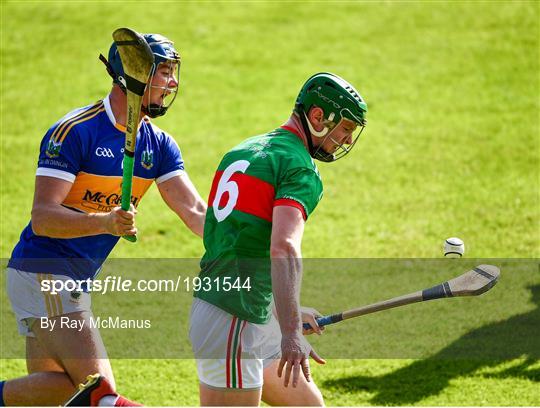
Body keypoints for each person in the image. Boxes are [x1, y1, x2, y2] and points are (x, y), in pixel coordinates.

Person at [0, 33, 206, 406]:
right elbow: (43, 217)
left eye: (174, 73)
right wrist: (105, 222)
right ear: (135, 75)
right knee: (101, 392)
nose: (173, 83)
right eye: (164, 72)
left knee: (59, 392)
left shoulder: (158, 145)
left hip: (69, 276)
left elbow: (195, 212)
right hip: (44, 271)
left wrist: (245, 237)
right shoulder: (75, 132)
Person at [189, 72, 368, 406]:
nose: (345, 140)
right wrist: (290, 332)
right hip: (234, 320)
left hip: (239, 309)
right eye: (345, 128)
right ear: (318, 117)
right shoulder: (299, 168)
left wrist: (287, 311)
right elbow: (283, 246)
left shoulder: (243, 151)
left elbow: (239, 245)